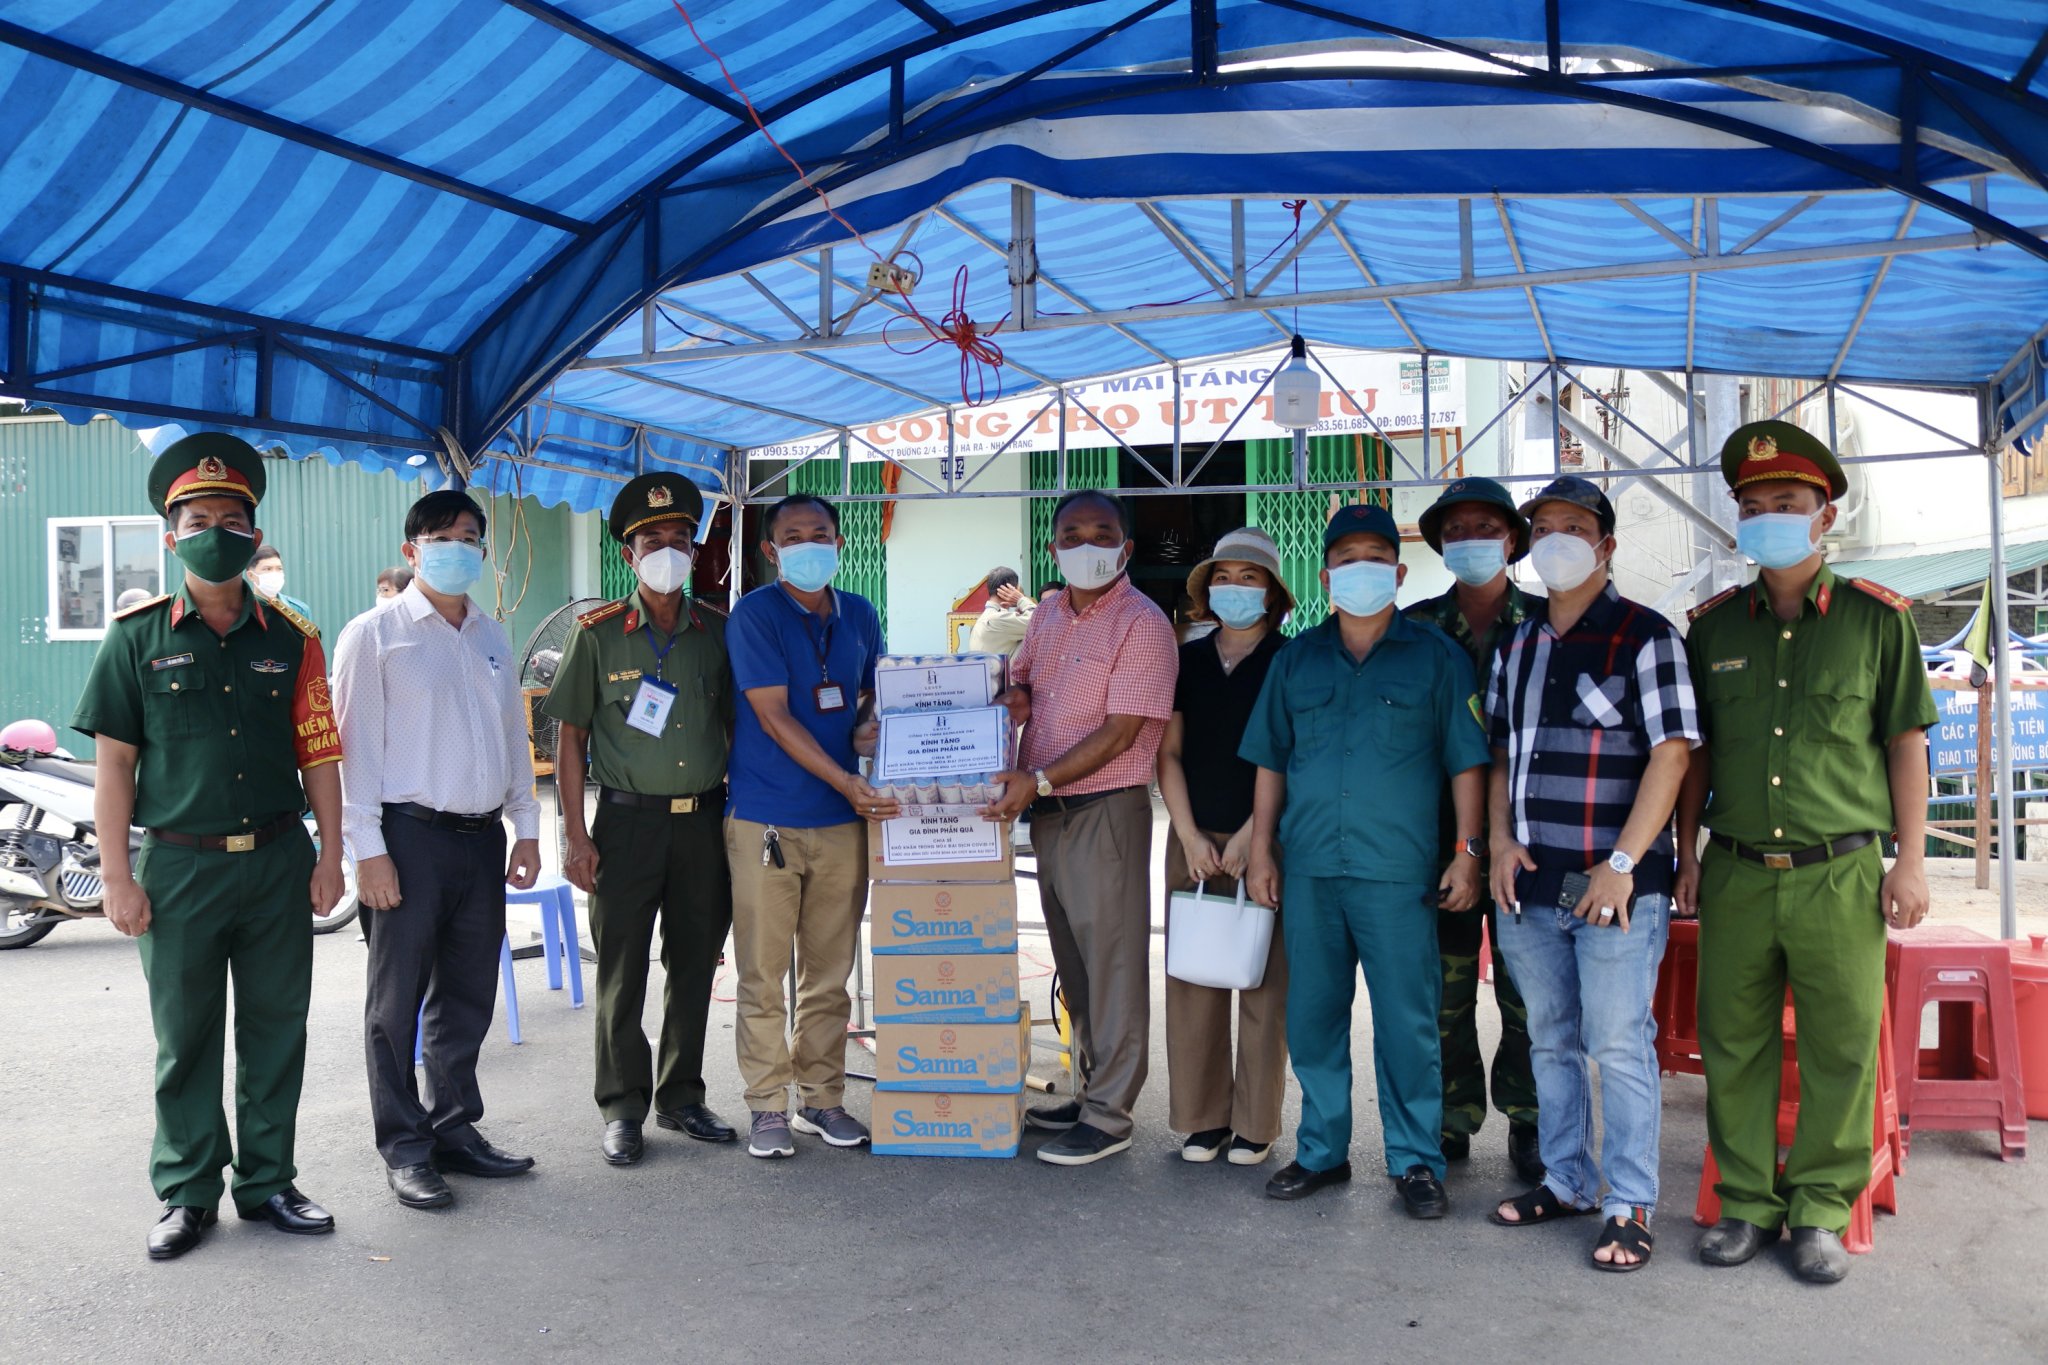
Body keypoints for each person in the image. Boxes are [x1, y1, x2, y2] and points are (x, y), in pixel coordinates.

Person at [70, 432, 346, 1261]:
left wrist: (331, 853)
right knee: (185, 1035)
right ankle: (188, 1190)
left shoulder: (293, 638)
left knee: (275, 1027)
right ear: (171, 533)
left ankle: (268, 1180)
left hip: (273, 860)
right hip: (180, 864)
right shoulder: (134, 637)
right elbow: (114, 765)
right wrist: (116, 876)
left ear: (253, 534)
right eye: (197, 516)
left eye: (231, 517)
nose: (214, 528)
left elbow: (319, 752)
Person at [1677, 422, 1935, 1285]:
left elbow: (1905, 743)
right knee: (1735, 1041)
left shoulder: (1876, 620)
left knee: (1839, 1045)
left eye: (1787, 505)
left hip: (1843, 870)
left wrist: (1913, 860)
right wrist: (1685, 853)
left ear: (1824, 516)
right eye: (1754, 507)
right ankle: (1748, 1201)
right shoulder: (1712, 630)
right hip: (1740, 869)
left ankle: (1820, 1208)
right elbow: (1696, 755)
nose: (1769, 519)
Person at [1240, 502, 1489, 1213]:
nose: (1360, 570)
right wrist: (1262, 848)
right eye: (1346, 559)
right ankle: (1321, 1150)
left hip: (1396, 872)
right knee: (1314, 1016)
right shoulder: (1295, 658)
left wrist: (1466, 853)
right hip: (1312, 866)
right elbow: (1270, 763)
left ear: (1400, 571)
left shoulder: (1436, 656)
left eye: (1375, 557)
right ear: (1324, 575)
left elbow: (1466, 762)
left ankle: (1416, 1158)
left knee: (1408, 1020)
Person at [1482, 475, 1700, 1272]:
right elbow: (1501, 749)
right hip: (1531, 884)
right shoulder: (1517, 641)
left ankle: (1629, 1200)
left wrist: (1621, 864)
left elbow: (1674, 753)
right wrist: (1499, 841)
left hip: (1616, 888)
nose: (1555, 538)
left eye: (1573, 525)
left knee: (1618, 1041)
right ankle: (1567, 1177)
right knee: (1551, 1038)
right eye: (1541, 526)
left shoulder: (1648, 636)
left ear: (1606, 544)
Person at [331, 490, 545, 1211]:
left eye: (471, 536)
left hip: (481, 838)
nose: (460, 546)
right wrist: (367, 849)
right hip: (408, 838)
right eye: (443, 535)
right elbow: (352, 750)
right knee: (396, 1004)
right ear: (411, 549)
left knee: (466, 995)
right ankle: (406, 1146)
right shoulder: (375, 633)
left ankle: (455, 1128)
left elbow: (514, 741)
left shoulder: (491, 634)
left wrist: (528, 827)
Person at [543, 474, 738, 1167]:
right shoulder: (596, 636)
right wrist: (575, 834)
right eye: (652, 540)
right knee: (621, 972)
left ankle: (682, 1095)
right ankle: (623, 1105)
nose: (668, 549)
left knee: (693, 965)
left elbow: (739, 729)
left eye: (679, 539)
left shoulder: (717, 630)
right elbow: (568, 736)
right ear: (628, 555)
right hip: (625, 825)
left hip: (704, 824)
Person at [985, 491, 1178, 1166]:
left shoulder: (1142, 622)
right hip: (1050, 815)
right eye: (1073, 533)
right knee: (1075, 965)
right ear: (1053, 548)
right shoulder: (1046, 615)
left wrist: (1036, 779)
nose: (1087, 545)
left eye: (1103, 533)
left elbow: (1123, 729)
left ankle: (1110, 1114)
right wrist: (967, 711)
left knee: (1114, 966)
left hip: (1104, 809)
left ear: (1126, 548)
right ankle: (1088, 1086)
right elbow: (1024, 686)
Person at [724, 495, 891, 1159]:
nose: (808, 545)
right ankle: (767, 1104)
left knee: (829, 971)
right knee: (764, 973)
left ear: (839, 541)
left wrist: (872, 727)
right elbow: (773, 717)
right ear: (770, 549)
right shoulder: (755, 615)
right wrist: (846, 775)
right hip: (770, 816)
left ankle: (821, 1098)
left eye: (819, 533)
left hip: (842, 822)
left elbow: (875, 692)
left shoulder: (861, 614)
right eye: (792, 536)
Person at [1406, 477, 1545, 1184]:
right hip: (1441, 844)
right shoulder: (1418, 628)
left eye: (1485, 527)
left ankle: (1531, 1117)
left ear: (1513, 539)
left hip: (1535, 843)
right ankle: (1451, 1116)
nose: (1470, 540)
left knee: (1529, 991)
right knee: (1444, 991)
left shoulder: (1551, 620)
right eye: (1454, 529)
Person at [1156, 527, 1292, 1166]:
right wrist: (1185, 834)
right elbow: (1170, 752)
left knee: (1263, 980)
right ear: (1206, 589)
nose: (1234, 587)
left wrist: (1252, 838)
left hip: (1267, 842)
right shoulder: (1185, 660)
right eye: (1224, 576)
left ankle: (1255, 1124)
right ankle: (1203, 1120)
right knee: (1193, 980)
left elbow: (1294, 757)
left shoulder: (1292, 661)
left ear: (1273, 592)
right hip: (1191, 837)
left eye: (1250, 577)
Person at [967, 566, 1035, 657]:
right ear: (1011, 591)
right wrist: (1021, 600)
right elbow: (1040, 621)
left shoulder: (986, 617)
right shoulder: (998, 619)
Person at [247, 543, 315, 622]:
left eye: (279, 568)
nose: (274, 573)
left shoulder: (299, 610)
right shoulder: (241, 611)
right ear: (251, 575)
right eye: (267, 569)